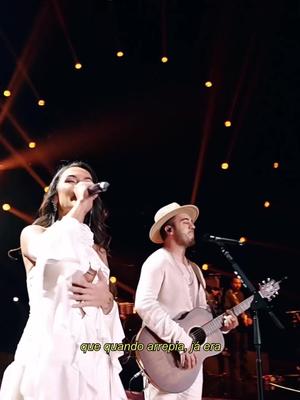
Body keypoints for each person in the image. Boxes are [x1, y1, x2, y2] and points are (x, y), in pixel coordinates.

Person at [0, 161, 127, 400]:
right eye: (71, 180)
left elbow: (106, 307)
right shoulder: (34, 234)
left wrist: (108, 302)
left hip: (93, 354)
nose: (81, 185)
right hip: (51, 347)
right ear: (55, 197)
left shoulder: (97, 251)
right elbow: (50, 250)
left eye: (86, 181)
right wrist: (79, 206)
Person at [134, 202, 238, 399]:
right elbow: (144, 304)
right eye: (185, 221)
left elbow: (201, 316)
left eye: (192, 222)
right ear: (169, 229)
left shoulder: (196, 270)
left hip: (192, 362)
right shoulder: (158, 261)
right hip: (165, 356)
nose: (193, 226)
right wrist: (181, 340)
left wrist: (222, 326)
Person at [223, 276, 253, 381]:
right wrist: (238, 313)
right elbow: (226, 308)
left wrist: (248, 317)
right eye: (236, 283)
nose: (238, 285)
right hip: (234, 327)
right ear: (232, 283)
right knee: (235, 350)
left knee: (244, 349)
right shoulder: (228, 293)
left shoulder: (241, 294)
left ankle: (244, 372)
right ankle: (235, 375)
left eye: (239, 283)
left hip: (243, 327)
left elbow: (245, 307)